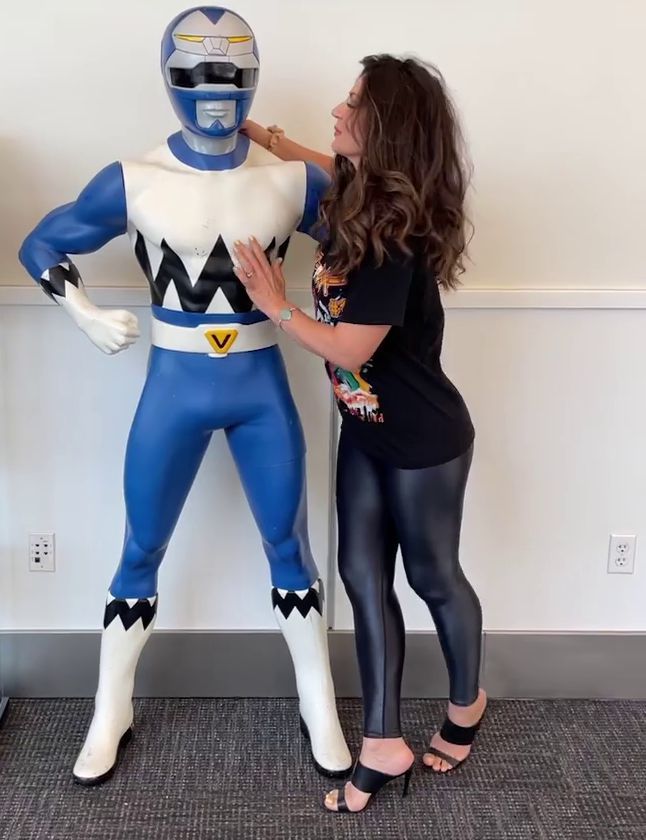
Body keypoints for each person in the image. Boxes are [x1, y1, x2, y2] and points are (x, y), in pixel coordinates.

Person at [18, 5, 351, 786]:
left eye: (230, 71)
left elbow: (377, 238)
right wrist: (83, 311)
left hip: (261, 386)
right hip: (175, 385)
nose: (215, 89)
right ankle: (110, 708)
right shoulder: (135, 180)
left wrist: (367, 335)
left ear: (252, 76)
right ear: (169, 76)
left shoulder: (292, 182)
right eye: (197, 71)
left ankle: (320, 703)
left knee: (289, 544)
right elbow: (42, 242)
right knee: (141, 546)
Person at [235, 54, 486, 814]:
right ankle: (382, 740)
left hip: (425, 442)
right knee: (360, 576)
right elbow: (318, 160)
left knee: (433, 578)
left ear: (387, 129)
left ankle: (467, 704)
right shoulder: (357, 191)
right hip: (367, 430)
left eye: (352, 104)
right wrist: (260, 134)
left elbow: (348, 350)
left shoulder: (393, 237)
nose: (337, 112)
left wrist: (275, 304)